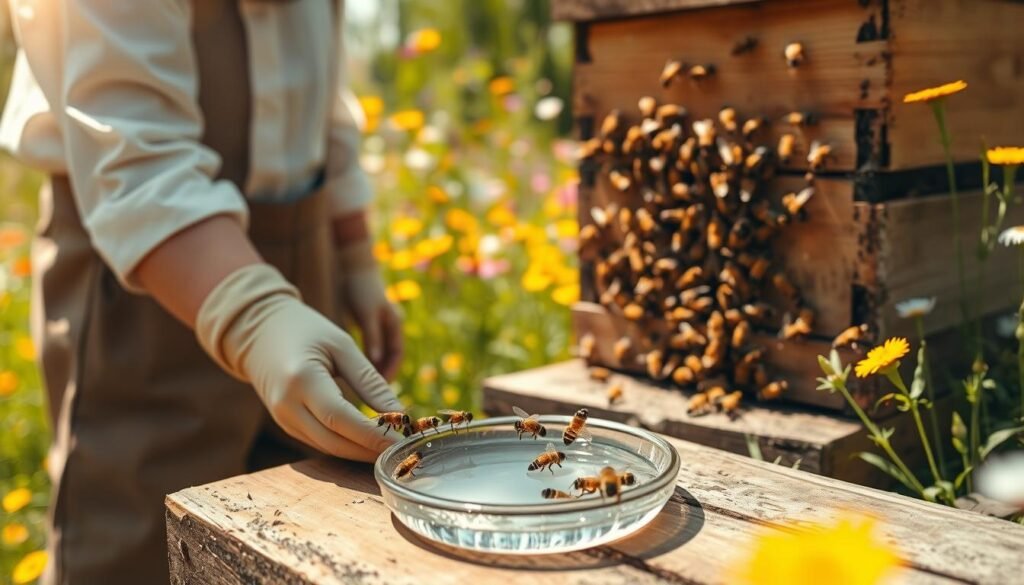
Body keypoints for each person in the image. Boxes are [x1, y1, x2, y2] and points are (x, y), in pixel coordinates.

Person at [0, 1, 405, 583]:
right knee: (140, 540)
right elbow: (137, 163)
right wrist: (255, 312)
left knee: (304, 531)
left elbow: (325, 102)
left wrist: (354, 256)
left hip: (306, 265)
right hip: (146, 282)